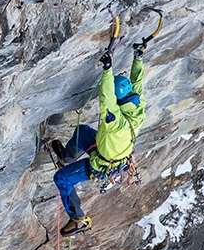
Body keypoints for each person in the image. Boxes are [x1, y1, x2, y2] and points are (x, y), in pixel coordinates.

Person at [50, 40, 147, 236]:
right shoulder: (137, 109)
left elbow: (107, 99)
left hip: (101, 164)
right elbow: (137, 85)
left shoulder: (115, 122)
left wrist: (107, 71)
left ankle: (78, 219)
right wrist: (138, 59)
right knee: (83, 132)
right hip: (112, 151)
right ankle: (65, 159)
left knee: (61, 178)